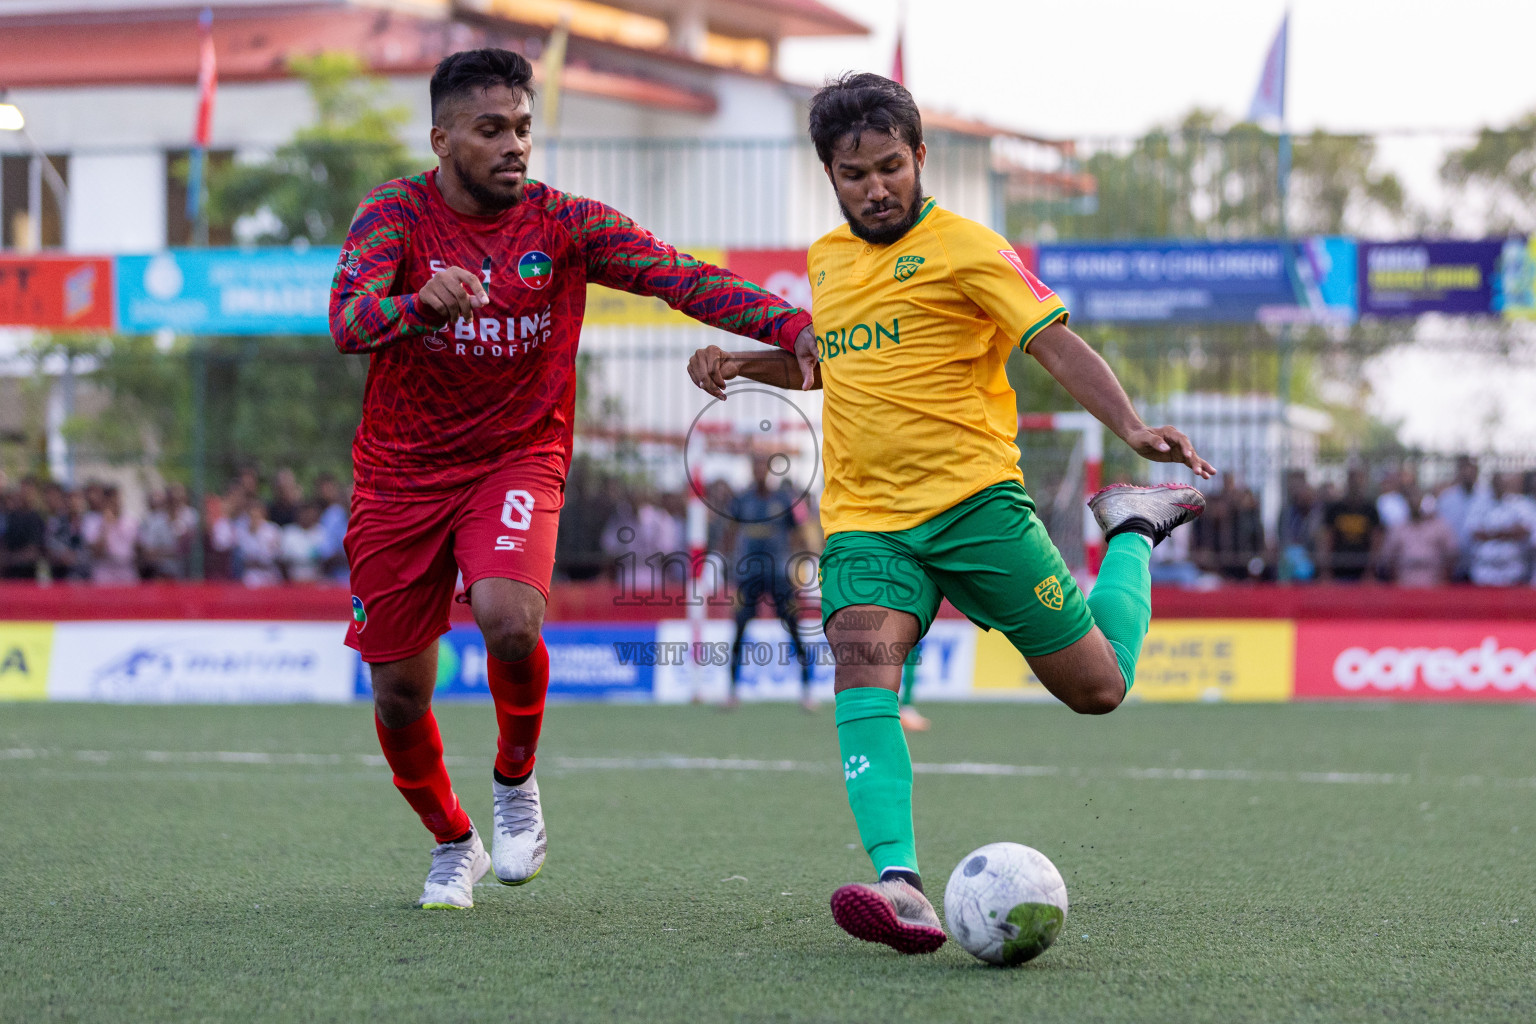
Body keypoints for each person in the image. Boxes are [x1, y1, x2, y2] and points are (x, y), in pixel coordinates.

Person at [686, 73, 1212, 956]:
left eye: (892, 167)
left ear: (921, 158)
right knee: (863, 666)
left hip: (977, 509)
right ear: (829, 173)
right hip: (867, 521)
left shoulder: (967, 247)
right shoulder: (826, 259)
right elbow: (828, 364)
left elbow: (1052, 340)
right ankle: (900, 885)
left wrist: (1129, 427)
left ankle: (1130, 528)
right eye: (856, 175)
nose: (877, 187)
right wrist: (744, 362)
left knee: (1099, 690)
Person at [329, 48, 814, 911]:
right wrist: (419, 304)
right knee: (400, 690)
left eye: (522, 127)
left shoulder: (566, 225)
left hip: (517, 456)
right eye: (490, 130)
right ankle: (453, 842)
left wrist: (793, 325)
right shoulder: (393, 214)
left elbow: (682, 276)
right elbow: (349, 319)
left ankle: (516, 780)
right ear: (440, 138)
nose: (514, 145)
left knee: (509, 618)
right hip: (398, 477)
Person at [722, 452, 818, 711]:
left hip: (778, 573)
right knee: (739, 628)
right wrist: (728, 572)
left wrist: (800, 567)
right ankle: (731, 692)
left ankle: (807, 690)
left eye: (762, 466)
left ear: (769, 470)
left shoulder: (785, 500)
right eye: (755, 466)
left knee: (794, 628)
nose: (759, 471)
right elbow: (729, 535)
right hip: (748, 575)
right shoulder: (741, 501)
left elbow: (801, 534)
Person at [1465, 472, 1534, 587]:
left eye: (1502, 482)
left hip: (1512, 571)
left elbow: (1525, 531)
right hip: (1484, 571)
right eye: (1496, 482)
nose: (1499, 485)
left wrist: (1491, 533)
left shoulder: (1520, 503)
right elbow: (1475, 533)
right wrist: (1506, 533)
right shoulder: (1479, 504)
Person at [1316, 467, 1382, 582]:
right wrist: (1326, 571)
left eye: (1359, 479)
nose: (1355, 483)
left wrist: (1370, 572)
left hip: (1363, 572)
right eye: (1352, 479)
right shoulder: (1334, 509)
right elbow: (1326, 540)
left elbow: (1375, 542)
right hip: (1337, 570)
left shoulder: (1370, 510)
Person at [1379, 491, 1458, 587]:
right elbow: (1388, 558)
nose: (1414, 503)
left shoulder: (1439, 527)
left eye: (1417, 500)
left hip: (1434, 582)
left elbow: (1452, 554)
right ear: (1406, 503)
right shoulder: (1398, 528)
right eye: (1411, 500)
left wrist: (1444, 579)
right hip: (1403, 582)